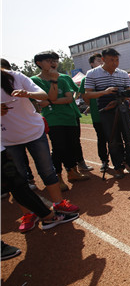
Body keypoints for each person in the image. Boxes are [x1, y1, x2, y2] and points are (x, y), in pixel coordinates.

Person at [1, 59, 79, 230]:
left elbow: (43, 95)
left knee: (46, 169)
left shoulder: (15, 77)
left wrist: (27, 94)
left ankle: (58, 204)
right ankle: (28, 214)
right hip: (7, 139)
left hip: (33, 132)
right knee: (18, 180)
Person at [31, 51, 90, 186]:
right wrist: (53, 83)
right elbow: (45, 99)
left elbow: (69, 98)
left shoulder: (62, 79)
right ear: (39, 63)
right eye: (49, 61)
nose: (53, 64)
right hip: (53, 119)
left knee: (72, 145)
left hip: (69, 117)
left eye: (55, 61)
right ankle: (58, 177)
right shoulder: (35, 81)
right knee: (59, 148)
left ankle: (72, 172)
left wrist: (51, 101)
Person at [84, 48, 130, 179]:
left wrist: (126, 94)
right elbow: (88, 94)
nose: (115, 63)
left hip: (123, 108)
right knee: (113, 140)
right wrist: (105, 92)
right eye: (111, 60)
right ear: (103, 59)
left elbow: (129, 89)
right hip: (106, 110)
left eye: (117, 60)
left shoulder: (123, 73)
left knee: (129, 138)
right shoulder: (92, 73)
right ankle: (118, 166)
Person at [80, 53, 110, 172]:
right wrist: (92, 106)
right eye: (98, 61)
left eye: (102, 61)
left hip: (112, 113)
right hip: (98, 115)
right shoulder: (86, 78)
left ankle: (120, 160)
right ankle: (104, 161)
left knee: (115, 138)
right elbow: (85, 97)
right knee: (102, 138)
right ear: (92, 64)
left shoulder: (109, 75)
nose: (101, 63)